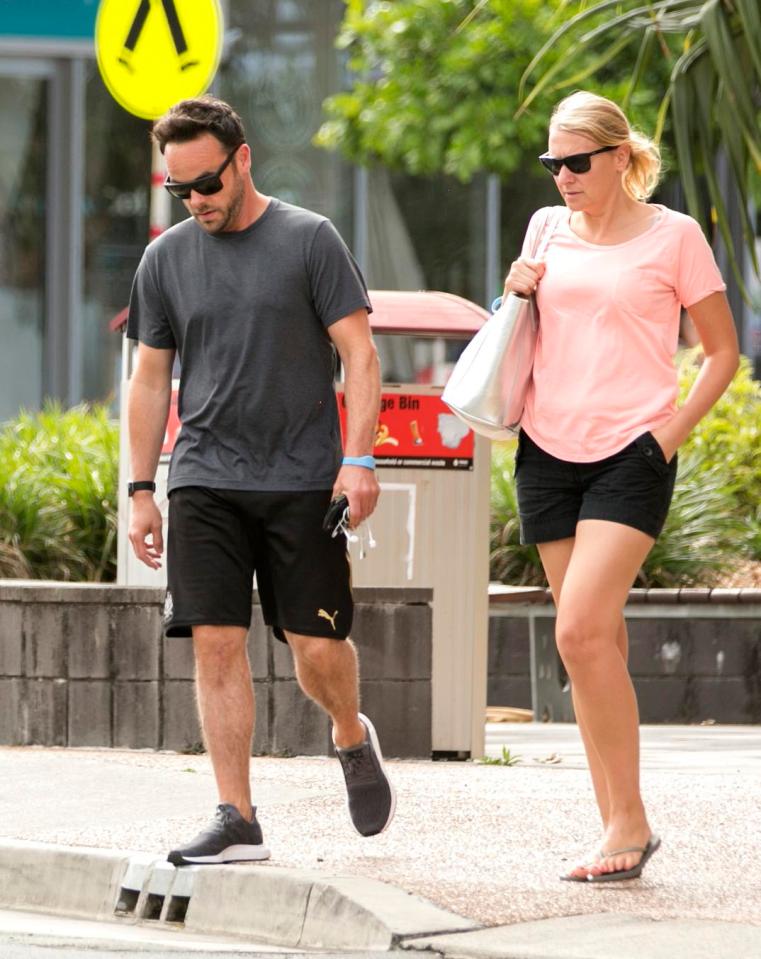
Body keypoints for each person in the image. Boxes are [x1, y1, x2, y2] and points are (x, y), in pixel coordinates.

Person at [126, 95, 395, 865]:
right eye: (181, 190)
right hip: (204, 475)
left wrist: (360, 456)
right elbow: (151, 379)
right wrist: (142, 488)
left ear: (242, 160)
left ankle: (348, 731)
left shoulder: (310, 240)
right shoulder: (165, 259)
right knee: (214, 641)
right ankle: (237, 815)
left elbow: (361, 355)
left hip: (304, 476)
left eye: (206, 183)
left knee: (315, 647)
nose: (197, 201)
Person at [503, 91, 739, 882]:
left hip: (627, 457)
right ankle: (617, 823)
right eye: (551, 164)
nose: (562, 177)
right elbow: (523, 332)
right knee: (592, 643)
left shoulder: (673, 236)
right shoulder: (544, 230)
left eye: (575, 162)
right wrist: (514, 291)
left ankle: (628, 822)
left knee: (576, 632)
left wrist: (663, 437)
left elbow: (720, 353)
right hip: (544, 450)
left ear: (616, 157)